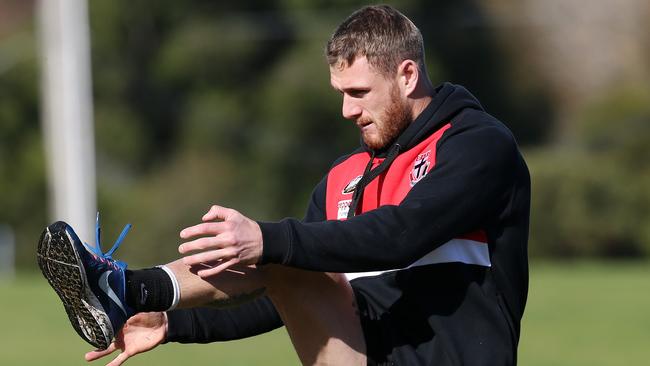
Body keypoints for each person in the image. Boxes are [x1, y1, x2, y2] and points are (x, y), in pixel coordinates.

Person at [37, 5, 530, 366]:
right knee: (279, 259)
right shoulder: (344, 176)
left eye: (359, 93)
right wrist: (175, 325)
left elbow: (402, 234)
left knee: (275, 247)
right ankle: (129, 290)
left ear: (407, 75)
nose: (347, 111)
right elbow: (281, 293)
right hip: (358, 356)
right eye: (340, 94)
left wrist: (269, 239)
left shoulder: (477, 144)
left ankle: (124, 287)